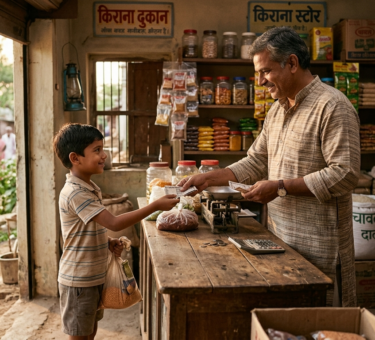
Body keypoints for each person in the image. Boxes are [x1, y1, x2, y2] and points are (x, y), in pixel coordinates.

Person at [179, 27, 360, 307]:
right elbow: (257, 160)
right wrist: (212, 178)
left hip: (320, 246)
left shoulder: (333, 106)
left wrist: (280, 188)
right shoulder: (277, 110)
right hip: (279, 241)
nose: (260, 81)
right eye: (257, 73)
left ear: (291, 63)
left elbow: (345, 174)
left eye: (265, 72)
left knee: (321, 323)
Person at [53, 123, 179, 340]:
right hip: (78, 280)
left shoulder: (88, 187)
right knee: (79, 335)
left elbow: (87, 228)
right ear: (75, 158)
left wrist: (106, 241)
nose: (104, 155)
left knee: (89, 330)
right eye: (97, 150)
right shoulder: (75, 192)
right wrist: (155, 206)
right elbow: (113, 222)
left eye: (103, 148)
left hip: (92, 277)